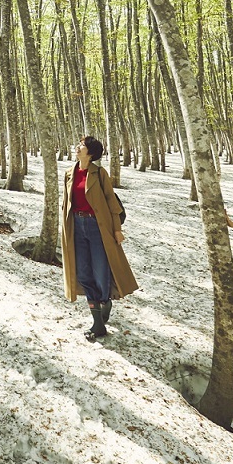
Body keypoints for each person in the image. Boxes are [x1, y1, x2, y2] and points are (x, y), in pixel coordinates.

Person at [61, 136, 138, 340]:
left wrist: (117, 229)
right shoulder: (69, 173)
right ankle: (97, 323)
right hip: (76, 227)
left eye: (82, 146)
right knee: (84, 272)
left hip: (98, 227)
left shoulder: (99, 173)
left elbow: (112, 202)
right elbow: (66, 204)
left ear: (91, 153)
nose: (77, 148)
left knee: (101, 270)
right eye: (78, 145)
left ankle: (105, 301)